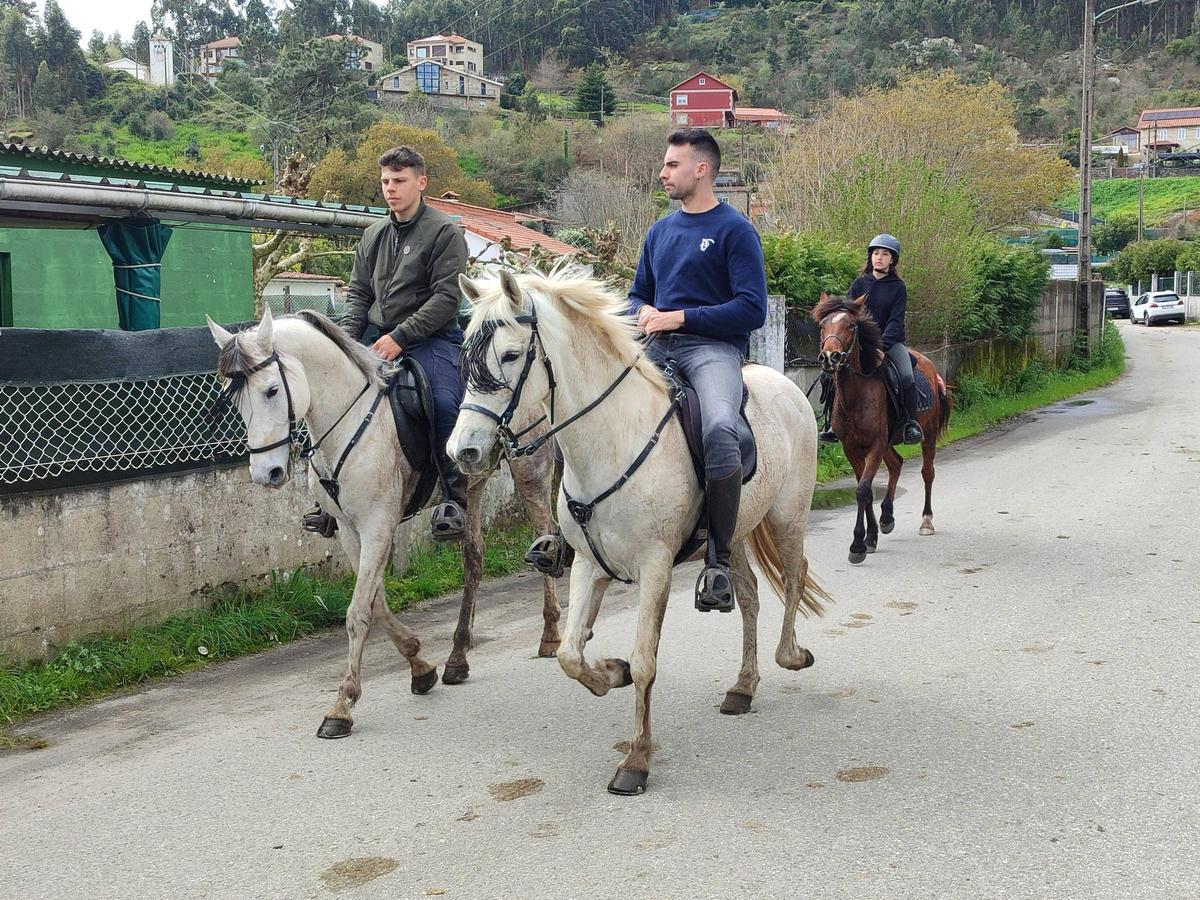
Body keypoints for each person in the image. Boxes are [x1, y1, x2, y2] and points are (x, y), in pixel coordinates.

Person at [628, 128, 768, 614]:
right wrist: (642, 313)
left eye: (672, 165)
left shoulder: (735, 230)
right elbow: (636, 294)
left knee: (719, 430)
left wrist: (680, 317)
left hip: (713, 351)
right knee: (588, 405)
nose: (663, 173)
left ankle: (718, 561)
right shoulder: (660, 231)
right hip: (656, 347)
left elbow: (753, 309)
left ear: (701, 169)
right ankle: (572, 534)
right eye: (665, 164)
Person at [304, 145, 470, 541]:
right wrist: (343, 342)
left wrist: (401, 336)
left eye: (399, 180)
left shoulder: (445, 232)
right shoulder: (373, 234)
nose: (390, 189)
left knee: (444, 403)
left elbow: (446, 299)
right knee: (322, 394)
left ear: (421, 182)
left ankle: (454, 498)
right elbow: (359, 293)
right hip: (374, 338)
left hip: (431, 340)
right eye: (385, 181)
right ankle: (326, 501)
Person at [820, 233, 923, 446]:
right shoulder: (859, 284)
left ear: (892, 260)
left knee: (905, 376)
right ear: (871, 256)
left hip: (890, 343)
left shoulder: (898, 287)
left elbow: (895, 321)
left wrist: (881, 347)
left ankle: (909, 424)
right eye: (876, 253)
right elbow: (847, 316)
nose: (879, 257)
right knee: (829, 375)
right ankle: (831, 424)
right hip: (860, 344)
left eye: (885, 254)